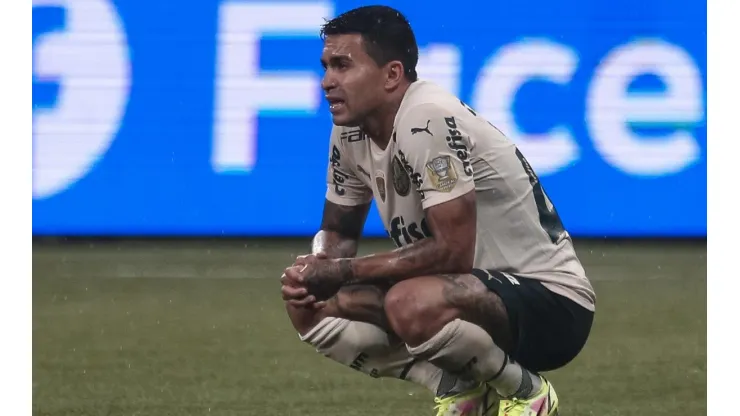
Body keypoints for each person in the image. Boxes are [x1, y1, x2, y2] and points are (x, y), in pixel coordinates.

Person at [280, 5, 595, 416]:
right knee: (307, 302)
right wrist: (316, 266)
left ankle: (527, 392)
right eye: (325, 66)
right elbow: (338, 234)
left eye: (342, 66)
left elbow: (453, 252)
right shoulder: (349, 131)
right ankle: (455, 386)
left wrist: (341, 272)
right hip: (460, 294)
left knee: (409, 301)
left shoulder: (424, 118)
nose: (327, 82)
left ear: (392, 74)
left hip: (551, 304)